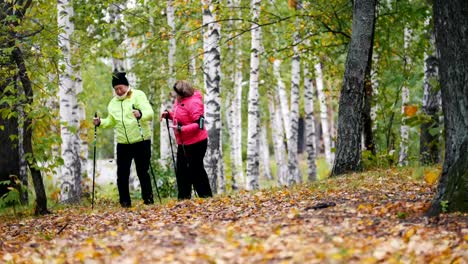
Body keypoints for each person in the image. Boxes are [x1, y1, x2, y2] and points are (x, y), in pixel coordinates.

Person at [93, 72, 154, 207]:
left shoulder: (138, 95)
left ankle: (148, 201)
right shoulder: (112, 103)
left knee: (142, 172)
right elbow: (111, 121)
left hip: (141, 140)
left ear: (127, 85)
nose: (119, 91)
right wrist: (100, 122)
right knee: (122, 174)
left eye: (121, 88)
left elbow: (150, 113)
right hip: (123, 143)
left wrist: (140, 114)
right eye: (116, 89)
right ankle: (125, 203)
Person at [161, 80, 213, 200]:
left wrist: (182, 129)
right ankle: (183, 199)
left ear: (183, 92)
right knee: (182, 171)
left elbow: (200, 124)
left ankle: (206, 197)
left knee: (196, 170)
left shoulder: (195, 102)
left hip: (197, 143)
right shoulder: (179, 101)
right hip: (183, 143)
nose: (175, 96)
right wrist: (168, 115)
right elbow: (179, 115)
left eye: (177, 93)